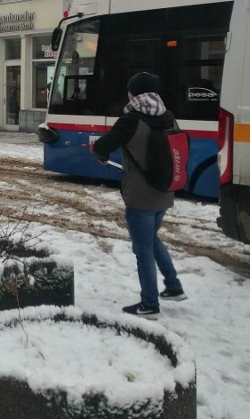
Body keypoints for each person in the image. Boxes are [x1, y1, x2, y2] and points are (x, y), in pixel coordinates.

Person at [91, 72, 186, 319]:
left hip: (140, 194)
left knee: (142, 249)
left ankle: (149, 304)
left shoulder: (130, 120)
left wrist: (99, 154)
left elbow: (102, 146)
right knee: (151, 239)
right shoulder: (168, 117)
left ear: (133, 93)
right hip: (165, 189)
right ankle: (174, 287)